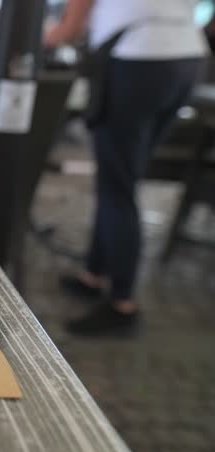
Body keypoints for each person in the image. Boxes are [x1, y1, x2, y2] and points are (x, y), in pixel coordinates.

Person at [44, 0, 208, 336]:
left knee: (117, 184)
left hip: (137, 61)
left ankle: (123, 303)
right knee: (123, 176)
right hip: (186, 59)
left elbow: (68, 29)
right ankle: (94, 273)